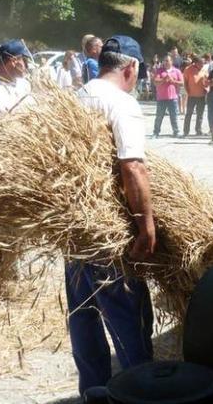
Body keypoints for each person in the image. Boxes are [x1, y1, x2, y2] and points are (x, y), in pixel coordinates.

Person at [69, 35, 155, 396]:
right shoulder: (122, 103)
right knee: (127, 318)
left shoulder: (75, 97)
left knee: (84, 315)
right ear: (131, 67)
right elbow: (132, 167)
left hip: (74, 227)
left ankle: (94, 392)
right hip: (110, 231)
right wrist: (145, 225)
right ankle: (139, 393)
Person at [152, 54, 182, 138]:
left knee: (174, 116)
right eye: (165, 61)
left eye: (168, 60)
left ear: (171, 61)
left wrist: (173, 81)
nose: (166, 62)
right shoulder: (159, 71)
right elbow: (155, 82)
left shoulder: (177, 71)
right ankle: (156, 132)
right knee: (159, 116)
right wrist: (164, 79)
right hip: (161, 98)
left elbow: (182, 83)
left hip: (173, 98)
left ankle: (176, 132)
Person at [183, 55, 208, 137]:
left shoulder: (204, 70)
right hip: (192, 96)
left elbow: (207, 81)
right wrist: (188, 91)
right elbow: (185, 82)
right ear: (196, 63)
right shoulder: (188, 69)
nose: (202, 65)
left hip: (202, 96)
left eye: (203, 63)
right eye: (201, 63)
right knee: (189, 114)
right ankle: (186, 131)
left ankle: (198, 130)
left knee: (200, 114)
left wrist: (207, 89)